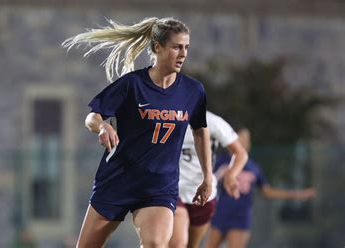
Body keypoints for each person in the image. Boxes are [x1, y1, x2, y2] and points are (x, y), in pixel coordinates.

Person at [62, 17, 213, 248]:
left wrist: (207, 177)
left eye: (186, 47)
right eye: (176, 47)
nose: (183, 53)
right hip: (117, 180)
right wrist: (103, 126)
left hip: (158, 187)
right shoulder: (132, 85)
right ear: (157, 48)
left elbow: (200, 131)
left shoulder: (193, 91)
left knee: (155, 244)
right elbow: (92, 117)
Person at [205, 128, 316, 248]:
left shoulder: (253, 167)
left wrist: (298, 195)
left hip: (241, 216)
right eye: (240, 139)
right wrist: (219, 175)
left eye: (246, 140)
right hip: (221, 213)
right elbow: (207, 182)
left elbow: (267, 191)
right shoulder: (220, 161)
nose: (243, 143)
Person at [169, 111, 248, 248]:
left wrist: (231, 175)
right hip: (174, 190)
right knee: (177, 244)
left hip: (204, 193)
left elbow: (240, 153)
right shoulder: (165, 117)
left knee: (191, 245)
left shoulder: (212, 121)